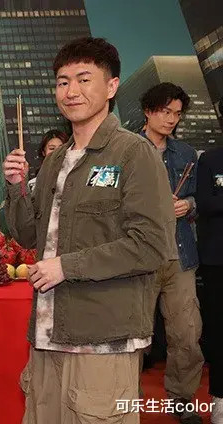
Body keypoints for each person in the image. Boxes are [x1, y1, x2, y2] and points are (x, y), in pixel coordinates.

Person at [3, 37, 174, 424]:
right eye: (63, 82)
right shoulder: (56, 161)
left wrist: (67, 266)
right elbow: (29, 236)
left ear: (111, 86)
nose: (71, 91)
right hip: (48, 334)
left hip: (102, 337)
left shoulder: (133, 153)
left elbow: (151, 245)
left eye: (84, 79)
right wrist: (16, 187)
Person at [139, 82, 204, 424]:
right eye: (165, 112)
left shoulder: (186, 154)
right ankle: (126, 394)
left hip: (180, 255)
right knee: (133, 333)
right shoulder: (127, 148)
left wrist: (188, 204)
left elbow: (200, 198)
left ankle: (181, 397)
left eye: (177, 114)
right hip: (139, 255)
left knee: (187, 332)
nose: (171, 120)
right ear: (148, 111)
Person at [196, 146, 223, 424]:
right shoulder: (210, 159)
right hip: (217, 260)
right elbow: (203, 203)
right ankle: (220, 398)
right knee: (219, 332)